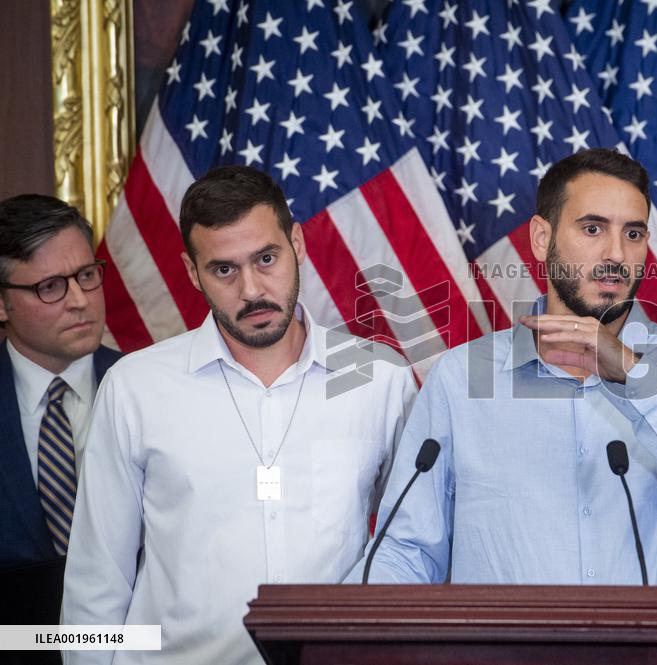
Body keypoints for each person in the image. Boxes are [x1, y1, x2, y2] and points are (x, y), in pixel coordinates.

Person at [354, 148, 657, 585]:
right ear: (542, 238)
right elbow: (405, 552)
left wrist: (636, 378)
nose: (615, 253)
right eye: (592, 228)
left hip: (652, 655)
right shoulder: (461, 379)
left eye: (633, 234)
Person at [61, 166, 416, 664]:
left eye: (266, 258)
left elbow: (412, 546)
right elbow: (97, 581)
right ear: (191, 272)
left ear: (298, 244)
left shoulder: (381, 379)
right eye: (224, 269)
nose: (251, 290)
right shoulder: (135, 387)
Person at [0, 196, 121, 664]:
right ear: (3, 303)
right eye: (51, 286)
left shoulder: (157, 394)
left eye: (87, 276)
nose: (79, 300)